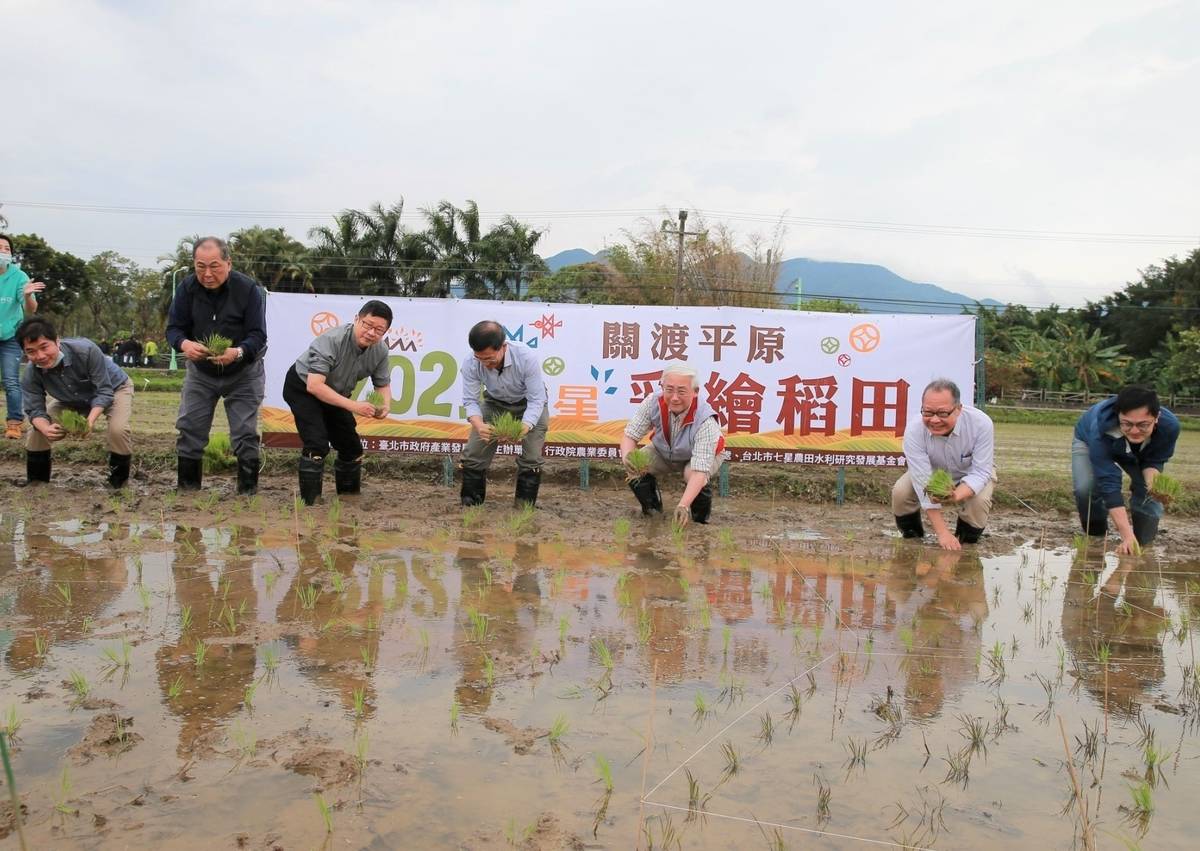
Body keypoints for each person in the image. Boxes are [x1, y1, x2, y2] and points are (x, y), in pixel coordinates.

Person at [166, 237, 268, 495]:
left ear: (228, 263)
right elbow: (174, 329)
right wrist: (185, 344)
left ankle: (247, 495)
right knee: (190, 427)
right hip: (201, 372)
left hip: (243, 372)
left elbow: (258, 335)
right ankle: (188, 493)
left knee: (245, 432)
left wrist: (237, 352)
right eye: (201, 266)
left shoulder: (248, 290)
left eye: (214, 266)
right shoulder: (187, 288)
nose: (207, 274)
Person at [283, 300, 394, 505]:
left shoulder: (380, 351)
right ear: (356, 320)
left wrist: (384, 405)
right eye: (367, 325)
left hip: (336, 393)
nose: (371, 333)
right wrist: (355, 406)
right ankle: (310, 503)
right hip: (303, 387)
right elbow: (315, 386)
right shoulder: (332, 340)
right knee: (316, 443)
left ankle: (348, 499)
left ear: (385, 332)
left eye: (379, 330)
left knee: (351, 447)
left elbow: (382, 384)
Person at [16, 317, 134, 488]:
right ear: (25, 353)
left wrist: (89, 422)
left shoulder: (86, 350)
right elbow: (34, 410)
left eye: (44, 347)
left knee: (118, 429)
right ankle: (37, 484)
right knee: (37, 431)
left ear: (57, 341)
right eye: (31, 351)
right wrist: (45, 428)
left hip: (115, 388)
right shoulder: (31, 373)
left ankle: (118, 484)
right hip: (71, 398)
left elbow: (104, 391)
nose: (40, 356)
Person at [1072, 386, 1179, 554]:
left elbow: (1153, 461)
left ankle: (1142, 544)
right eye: (1127, 424)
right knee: (1086, 488)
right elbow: (1109, 481)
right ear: (1118, 416)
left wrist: (1153, 486)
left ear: (1157, 417)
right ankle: (1096, 538)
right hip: (1088, 441)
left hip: (1139, 450)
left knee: (1148, 494)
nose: (1135, 431)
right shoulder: (1100, 429)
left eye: (1143, 425)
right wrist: (1125, 534)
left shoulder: (1169, 427)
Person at [892, 378, 996, 550]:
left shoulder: (981, 424)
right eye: (927, 413)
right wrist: (942, 533)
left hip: (970, 472)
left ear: (958, 409)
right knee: (901, 492)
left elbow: (981, 472)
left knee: (979, 502)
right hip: (933, 473)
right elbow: (922, 480)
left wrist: (956, 495)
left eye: (942, 414)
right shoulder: (914, 430)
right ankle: (912, 538)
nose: (934, 420)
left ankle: (965, 542)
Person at [619, 364, 724, 525]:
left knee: (691, 474)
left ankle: (700, 520)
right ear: (662, 387)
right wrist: (628, 459)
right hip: (663, 451)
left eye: (681, 391)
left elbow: (699, 472)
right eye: (669, 390)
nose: (674, 397)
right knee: (635, 462)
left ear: (695, 392)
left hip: (701, 458)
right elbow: (629, 436)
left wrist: (683, 505)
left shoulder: (705, 420)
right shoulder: (653, 402)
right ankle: (653, 513)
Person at [459, 320, 548, 508]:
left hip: (529, 404)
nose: (485, 363)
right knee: (473, 454)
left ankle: (524, 508)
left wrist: (525, 426)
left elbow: (536, 400)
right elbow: (470, 400)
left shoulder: (526, 358)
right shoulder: (470, 363)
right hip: (494, 403)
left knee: (531, 457)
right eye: (480, 358)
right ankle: (471, 505)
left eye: (490, 358)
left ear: (503, 347)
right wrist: (479, 425)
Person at [0, 235, 45, 439]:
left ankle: (14, 423)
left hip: (10, 336)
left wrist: (27, 295)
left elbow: (31, 310)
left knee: (11, 380)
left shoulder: (19, 277)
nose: (3, 251)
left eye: (6, 248)